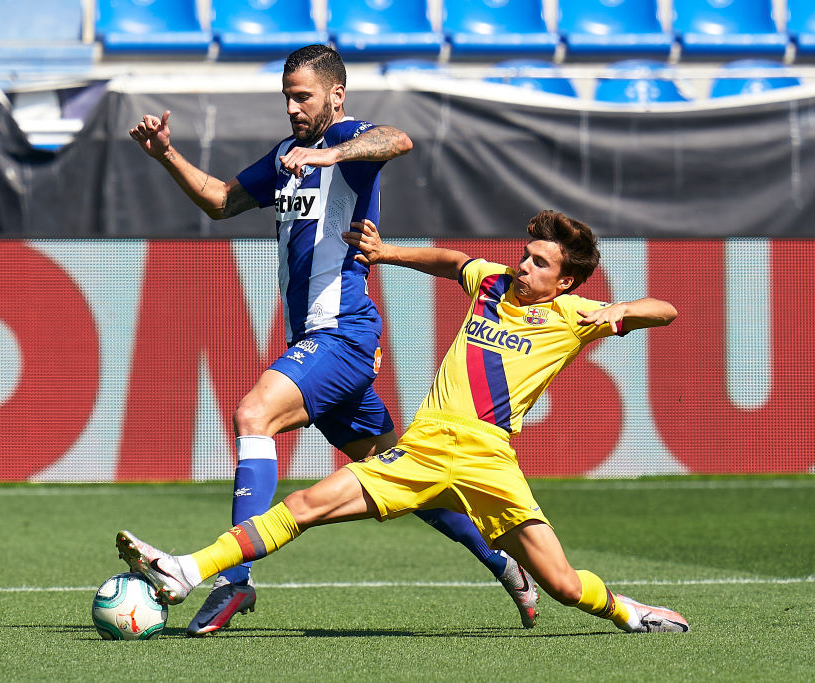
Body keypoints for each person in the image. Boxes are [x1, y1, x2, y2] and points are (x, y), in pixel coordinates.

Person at [116, 209, 690, 634]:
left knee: (564, 586)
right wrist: (388, 254)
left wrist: (621, 310)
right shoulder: (493, 284)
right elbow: (451, 261)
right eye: (525, 253)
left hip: (488, 461)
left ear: (564, 281)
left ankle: (630, 612)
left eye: (539, 262)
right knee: (303, 506)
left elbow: (665, 310)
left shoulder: (575, 315)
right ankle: (185, 571)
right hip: (420, 451)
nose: (523, 265)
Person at [127, 44, 539, 635]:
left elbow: (398, 140)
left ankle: (232, 584)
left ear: (336, 95)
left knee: (253, 415)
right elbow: (221, 202)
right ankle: (505, 565)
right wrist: (166, 153)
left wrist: (333, 156)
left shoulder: (351, 143)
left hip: (343, 333)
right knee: (402, 473)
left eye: (304, 96)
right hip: (322, 339)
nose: (294, 107)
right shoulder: (285, 156)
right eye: (288, 97)